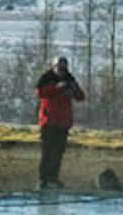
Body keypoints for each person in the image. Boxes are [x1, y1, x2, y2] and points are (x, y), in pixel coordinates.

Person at [30, 57, 84, 191]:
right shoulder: (46, 78)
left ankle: (54, 178)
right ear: (54, 67)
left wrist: (74, 89)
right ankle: (43, 180)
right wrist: (57, 88)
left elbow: (81, 97)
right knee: (47, 152)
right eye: (60, 68)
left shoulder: (70, 79)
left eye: (64, 68)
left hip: (63, 123)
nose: (62, 71)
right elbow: (39, 93)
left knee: (58, 153)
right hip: (48, 122)